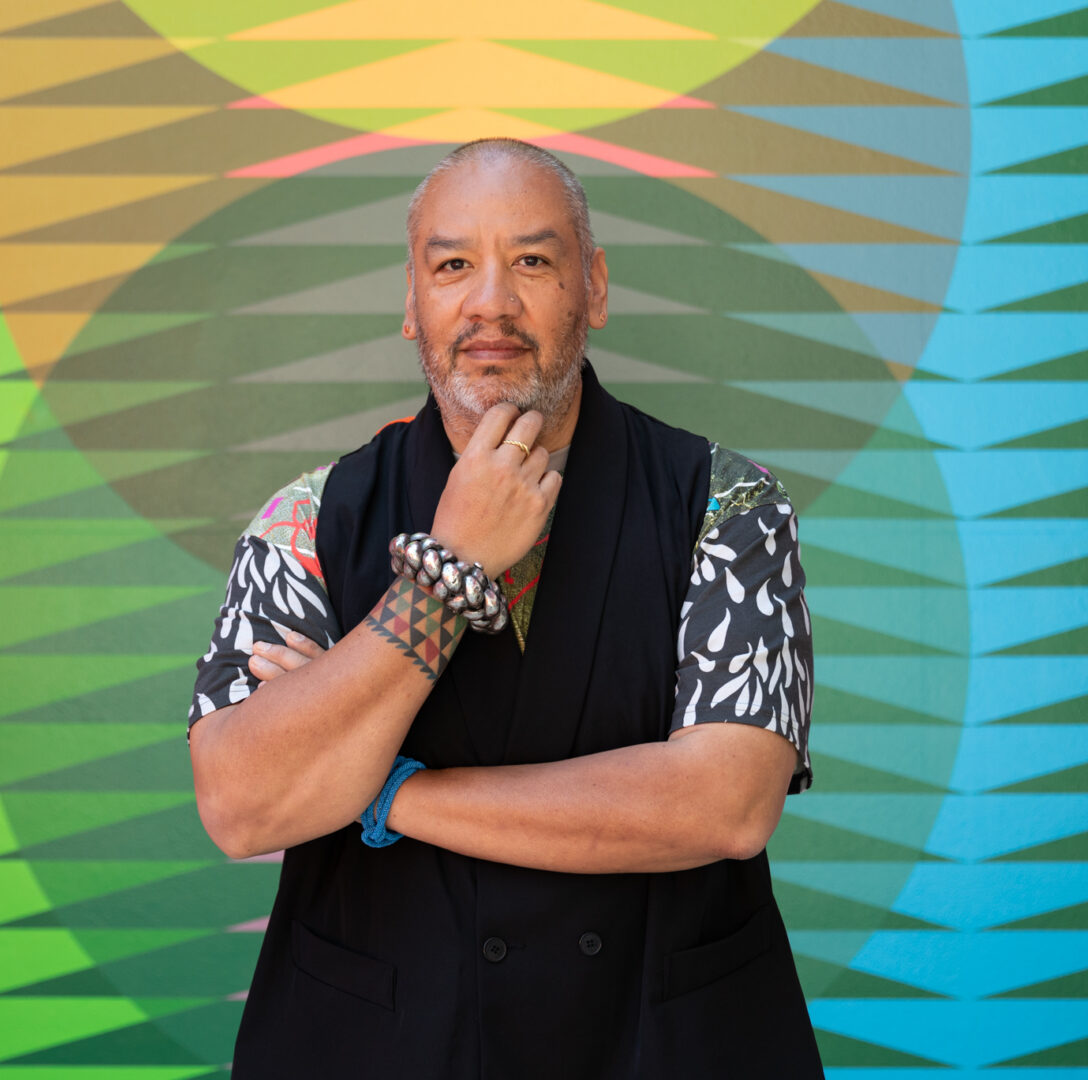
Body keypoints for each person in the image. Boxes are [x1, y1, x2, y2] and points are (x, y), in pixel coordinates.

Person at [186, 137, 823, 1079]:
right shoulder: (307, 520)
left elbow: (724, 804)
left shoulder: (731, 505)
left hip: (660, 1040)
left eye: (533, 261)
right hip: (379, 1040)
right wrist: (445, 573)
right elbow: (243, 805)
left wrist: (384, 789)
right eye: (452, 266)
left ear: (594, 288)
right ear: (412, 302)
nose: (491, 302)